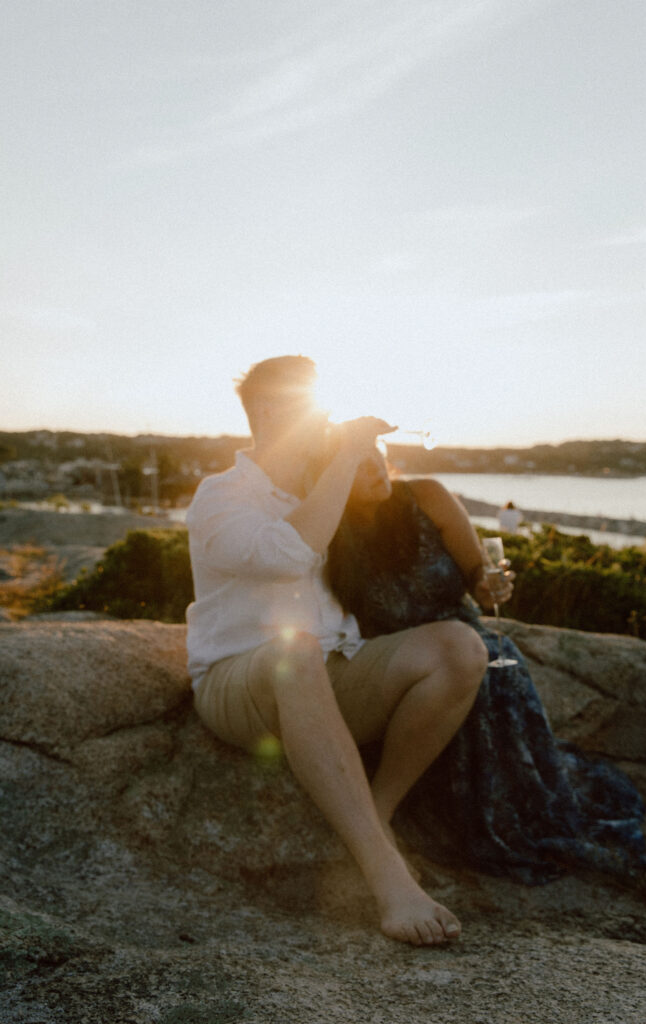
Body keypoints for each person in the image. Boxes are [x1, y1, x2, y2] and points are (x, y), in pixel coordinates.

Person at [185, 356, 489, 947]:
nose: (325, 422)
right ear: (270, 413)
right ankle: (388, 878)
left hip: (330, 673)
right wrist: (347, 455)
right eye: (313, 409)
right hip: (237, 681)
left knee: (460, 648)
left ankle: (374, 813)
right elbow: (289, 553)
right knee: (293, 651)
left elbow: (401, 541)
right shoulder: (220, 497)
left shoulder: (326, 490)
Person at [327, 448, 646, 884]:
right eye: (358, 461)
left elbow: (481, 580)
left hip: (465, 637)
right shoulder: (329, 528)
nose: (375, 467)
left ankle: (496, 812)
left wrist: (491, 584)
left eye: (377, 457)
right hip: (400, 658)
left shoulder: (428, 496)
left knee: (499, 674)